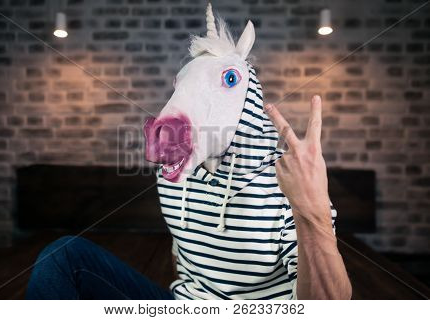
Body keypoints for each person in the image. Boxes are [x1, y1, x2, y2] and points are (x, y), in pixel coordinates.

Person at [26, 96, 352, 300]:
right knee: (63, 256)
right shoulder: (173, 172)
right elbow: (182, 258)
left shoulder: (281, 181)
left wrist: (310, 207)